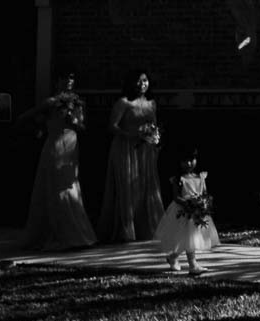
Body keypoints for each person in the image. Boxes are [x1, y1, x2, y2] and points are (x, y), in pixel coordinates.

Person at [20, 72, 97, 251]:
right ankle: (55, 233)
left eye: (71, 78)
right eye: (64, 78)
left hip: (71, 146)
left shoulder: (77, 102)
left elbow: (83, 126)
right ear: (57, 81)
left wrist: (75, 120)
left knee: (71, 187)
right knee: (55, 187)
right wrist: (40, 126)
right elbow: (28, 116)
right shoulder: (51, 102)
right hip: (55, 145)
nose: (68, 81)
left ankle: (75, 233)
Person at [97, 69, 165, 243]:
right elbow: (112, 126)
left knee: (146, 187)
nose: (142, 84)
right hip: (125, 149)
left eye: (145, 80)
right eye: (139, 81)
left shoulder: (151, 104)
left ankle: (147, 229)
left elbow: (154, 125)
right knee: (128, 188)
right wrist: (131, 135)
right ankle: (127, 230)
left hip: (145, 150)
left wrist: (154, 138)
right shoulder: (124, 103)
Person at [155, 146, 218, 275]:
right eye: (185, 161)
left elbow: (205, 193)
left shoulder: (200, 176)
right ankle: (193, 265)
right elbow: (176, 197)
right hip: (182, 212)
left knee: (188, 239)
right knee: (186, 238)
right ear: (179, 162)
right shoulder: (179, 179)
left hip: (196, 212)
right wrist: (188, 203)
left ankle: (172, 257)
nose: (189, 164)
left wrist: (204, 203)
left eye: (191, 160)